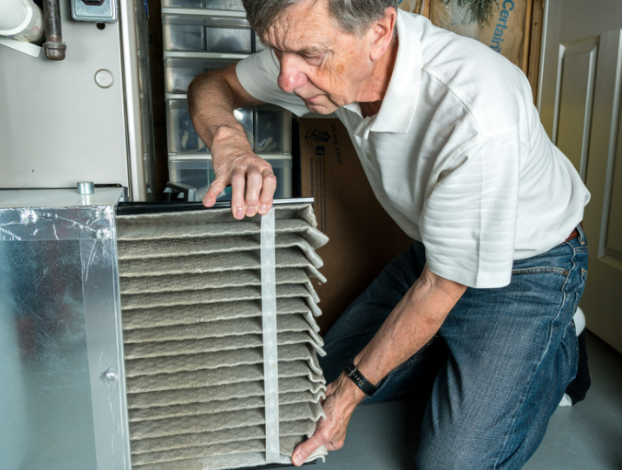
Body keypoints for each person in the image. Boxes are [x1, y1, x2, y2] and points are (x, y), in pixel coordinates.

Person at [188, 1, 591, 468]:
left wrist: (349, 394)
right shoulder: (307, 42)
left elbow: (442, 288)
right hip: (434, 256)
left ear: (379, 31)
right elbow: (211, 84)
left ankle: (560, 342)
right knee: (304, 393)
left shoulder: (476, 110)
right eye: (277, 53)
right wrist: (229, 141)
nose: (286, 80)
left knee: (450, 463)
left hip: (531, 268)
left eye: (310, 56)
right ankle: (455, 356)